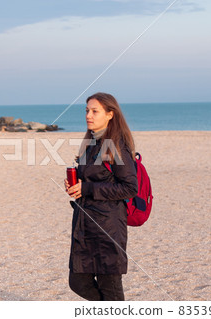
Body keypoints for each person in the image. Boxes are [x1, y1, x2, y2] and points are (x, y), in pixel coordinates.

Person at [64, 92, 138, 301]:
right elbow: (93, 178)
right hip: (85, 226)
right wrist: (75, 184)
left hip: (108, 227)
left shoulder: (116, 145)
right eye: (87, 110)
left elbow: (130, 187)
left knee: (111, 289)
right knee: (78, 281)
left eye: (95, 111)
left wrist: (87, 188)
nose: (89, 115)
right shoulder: (90, 143)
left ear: (110, 114)